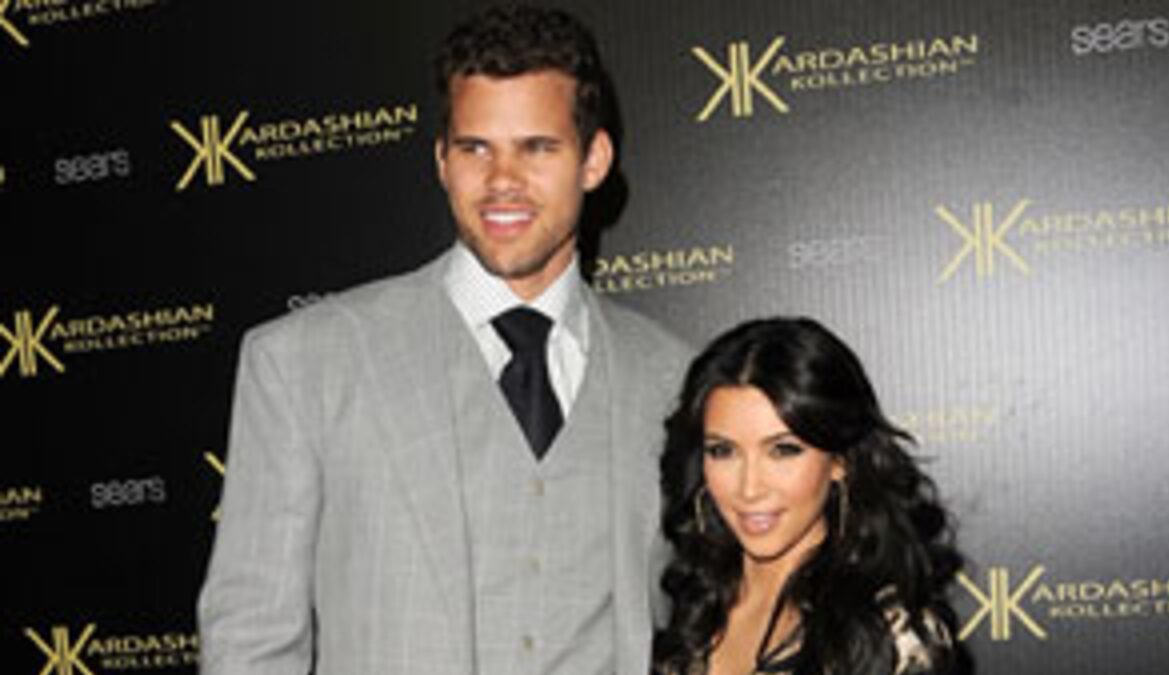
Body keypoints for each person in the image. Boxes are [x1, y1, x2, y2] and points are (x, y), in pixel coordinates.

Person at [197, 5, 690, 675]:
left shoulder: (671, 376)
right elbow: (250, 642)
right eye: (474, 148)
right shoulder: (305, 362)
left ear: (594, 159)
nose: (502, 181)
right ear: (441, 160)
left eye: (537, 147)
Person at [654, 318, 962, 675]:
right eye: (723, 451)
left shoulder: (890, 638)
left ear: (840, 461)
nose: (749, 488)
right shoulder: (688, 603)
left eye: (783, 450)